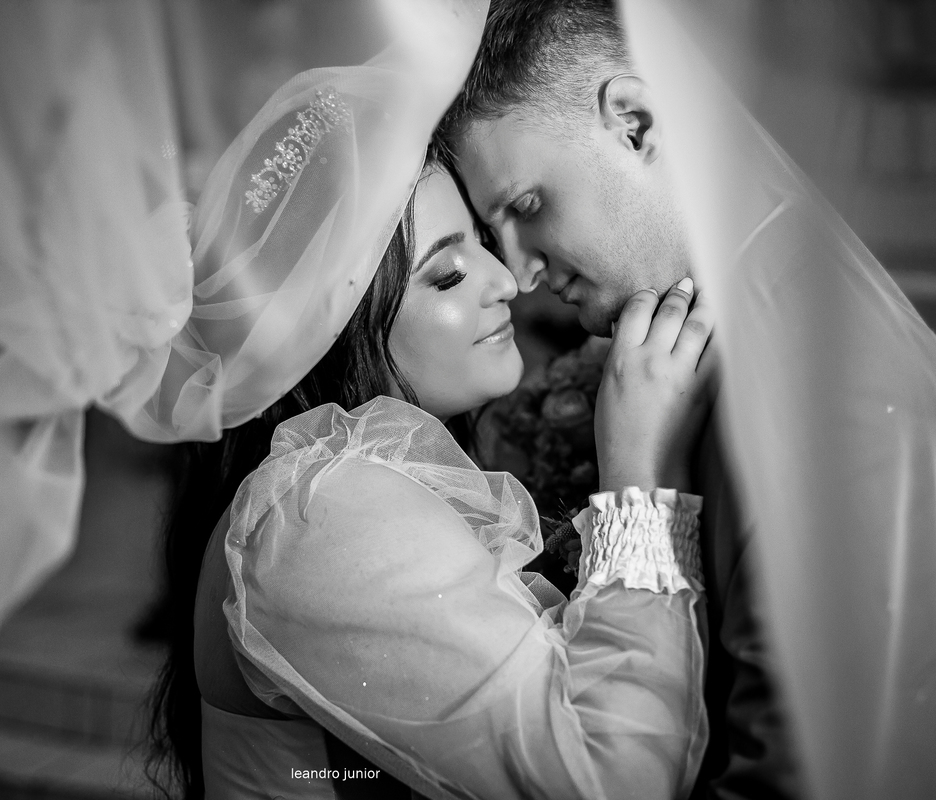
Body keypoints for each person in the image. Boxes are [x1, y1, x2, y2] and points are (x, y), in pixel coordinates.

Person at [143, 11, 717, 794]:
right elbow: (615, 781)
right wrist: (639, 483)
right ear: (337, 332)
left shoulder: (379, 485)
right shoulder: (317, 511)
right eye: (447, 275)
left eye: (483, 243)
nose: (508, 281)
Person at [432, 1, 802, 797]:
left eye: (527, 206)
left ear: (635, 125)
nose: (519, 274)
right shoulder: (699, 347)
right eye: (493, 235)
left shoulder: (788, 379)